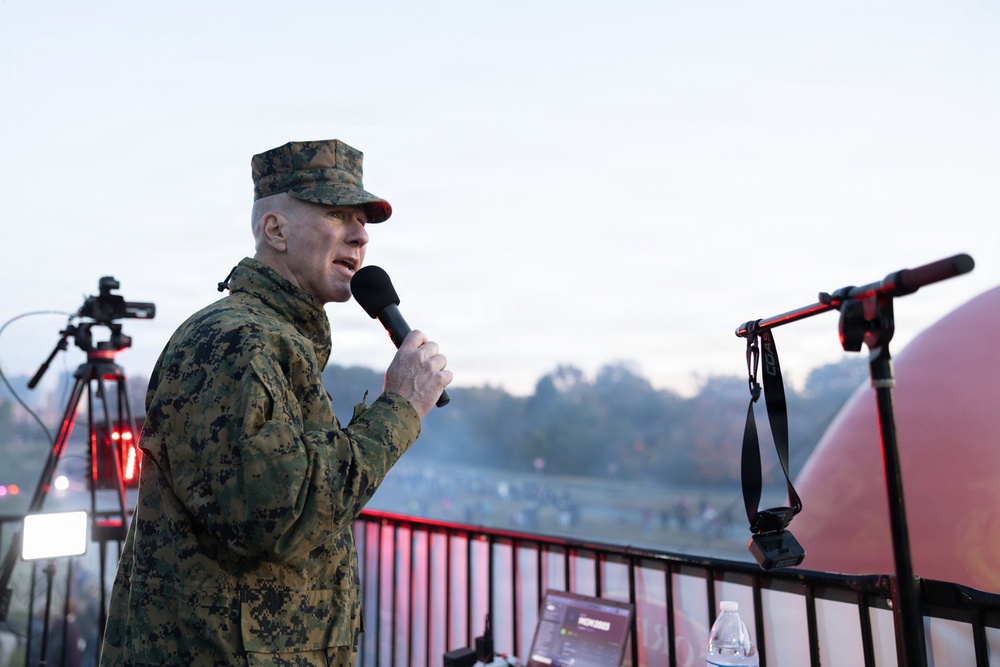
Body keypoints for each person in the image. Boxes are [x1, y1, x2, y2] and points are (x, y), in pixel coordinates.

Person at [99, 139, 452, 666]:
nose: (359, 234)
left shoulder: (277, 341)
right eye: (336, 214)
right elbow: (279, 517)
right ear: (276, 230)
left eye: (362, 221)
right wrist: (399, 408)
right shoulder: (235, 343)